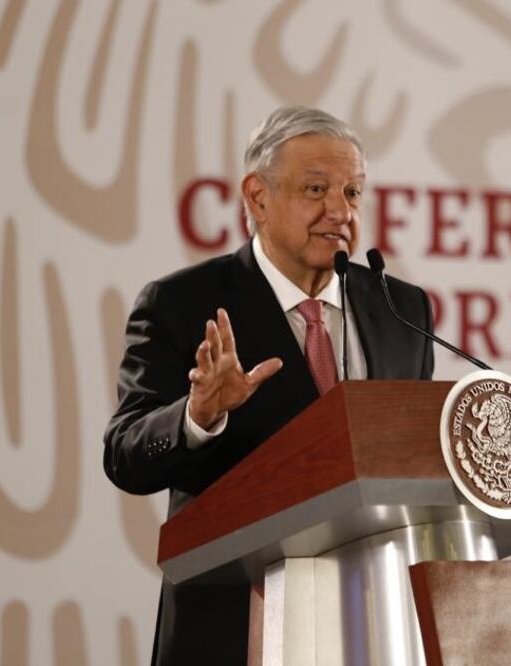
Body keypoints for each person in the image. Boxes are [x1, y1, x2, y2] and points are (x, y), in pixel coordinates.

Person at [103, 106, 435, 665]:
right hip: (235, 627)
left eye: (353, 193)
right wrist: (198, 415)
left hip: (378, 626)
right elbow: (125, 453)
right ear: (257, 197)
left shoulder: (400, 308)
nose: (340, 211)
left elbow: (414, 463)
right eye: (316, 189)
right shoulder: (182, 304)